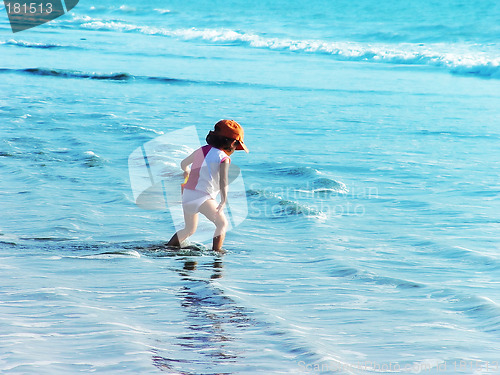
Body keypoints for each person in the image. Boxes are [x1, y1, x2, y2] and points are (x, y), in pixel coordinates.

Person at [167, 119, 249, 252]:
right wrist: (223, 201)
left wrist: (186, 171)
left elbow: (183, 163)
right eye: (236, 145)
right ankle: (217, 254)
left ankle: (168, 247)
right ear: (232, 143)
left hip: (187, 195)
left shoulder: (202, 150)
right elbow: (223, 181)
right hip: (203, 197)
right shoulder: (223, 158)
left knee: (189, 229)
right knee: (222, 224)